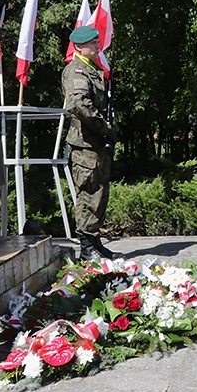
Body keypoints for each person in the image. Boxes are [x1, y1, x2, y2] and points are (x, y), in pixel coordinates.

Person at [62, 25, 120, 261]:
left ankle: (94, 241)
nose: (98, 46)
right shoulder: (76, 71)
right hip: (85, 144)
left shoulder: (92, 70)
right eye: (93, 43)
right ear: (78, 46)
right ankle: (86, 247)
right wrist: (104, 128)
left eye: (98, 42)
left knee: (99, 193)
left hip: (96, 143)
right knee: (88, 193)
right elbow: (78, 104)